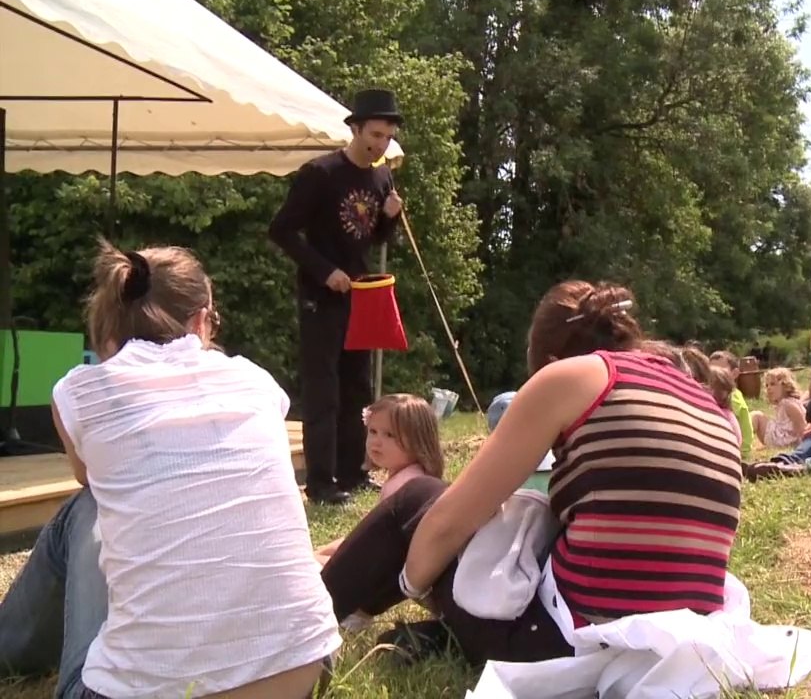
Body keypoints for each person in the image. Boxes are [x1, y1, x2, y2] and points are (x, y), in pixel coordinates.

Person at [319, 281, 742, 665]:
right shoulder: (708, 402)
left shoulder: (569, 377)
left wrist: (408, 584)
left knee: (418, 499)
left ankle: (304, 625)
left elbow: (447, 523)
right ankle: (437, 637)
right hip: (682, 649)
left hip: (566, 646)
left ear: (550, 361)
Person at [0, 241, 339, 698]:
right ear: (202, 318)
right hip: (301, 669)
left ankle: (7, 647)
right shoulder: (255, 380)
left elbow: (88, 477)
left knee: (86, 507)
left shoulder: (81, 392)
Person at [268, 88, 405, 505]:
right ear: (356, 128)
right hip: (319, 298)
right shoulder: (321, 174)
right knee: (323, 390)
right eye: (375, 135)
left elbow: (372, 237)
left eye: (387, 137)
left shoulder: (382, 177)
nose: (381, 144)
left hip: (360, 296)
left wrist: (389, 219)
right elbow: (281, 231)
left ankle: (352, 472)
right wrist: (324, 271)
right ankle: (321, 482)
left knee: (357, 388)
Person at [314, 393, 447, 566]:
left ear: (418, 440)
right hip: (381, 560)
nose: (376, 442)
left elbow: (371, 545)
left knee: (306, 565)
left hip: (384, 568)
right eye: (373, 431)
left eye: (389, 435)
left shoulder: (406, 485)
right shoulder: (408, 477)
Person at [711, 350, 755, 458]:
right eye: (710, 371)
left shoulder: (732, 397)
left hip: (738, 450)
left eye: (720, 370)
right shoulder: (736, 393)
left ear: (735, 373)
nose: (714, 375)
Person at [751, 368, 807, 448]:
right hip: (780, 436)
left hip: (782, 440)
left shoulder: (789, 405)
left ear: (785, 385)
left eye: (773, 384)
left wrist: (803, 447)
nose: (769, 388)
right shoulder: (783, 403)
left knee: (756, 416)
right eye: (767, 385)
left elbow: (801, 427)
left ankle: (741, 441)